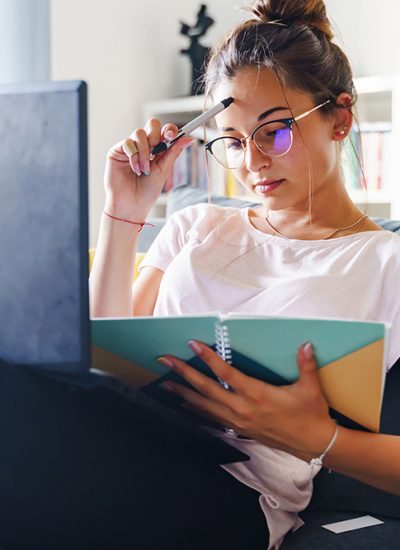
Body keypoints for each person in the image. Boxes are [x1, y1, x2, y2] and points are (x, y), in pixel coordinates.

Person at [90, 0, 400, 547]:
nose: (251, 162)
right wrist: (124, 215)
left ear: (341, 118)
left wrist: (318, 437)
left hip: (229, 488)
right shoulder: (196, 226)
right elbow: (102, 356)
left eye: (273, 132)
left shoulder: (385, 264)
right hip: (129, 437)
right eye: (231, 141)